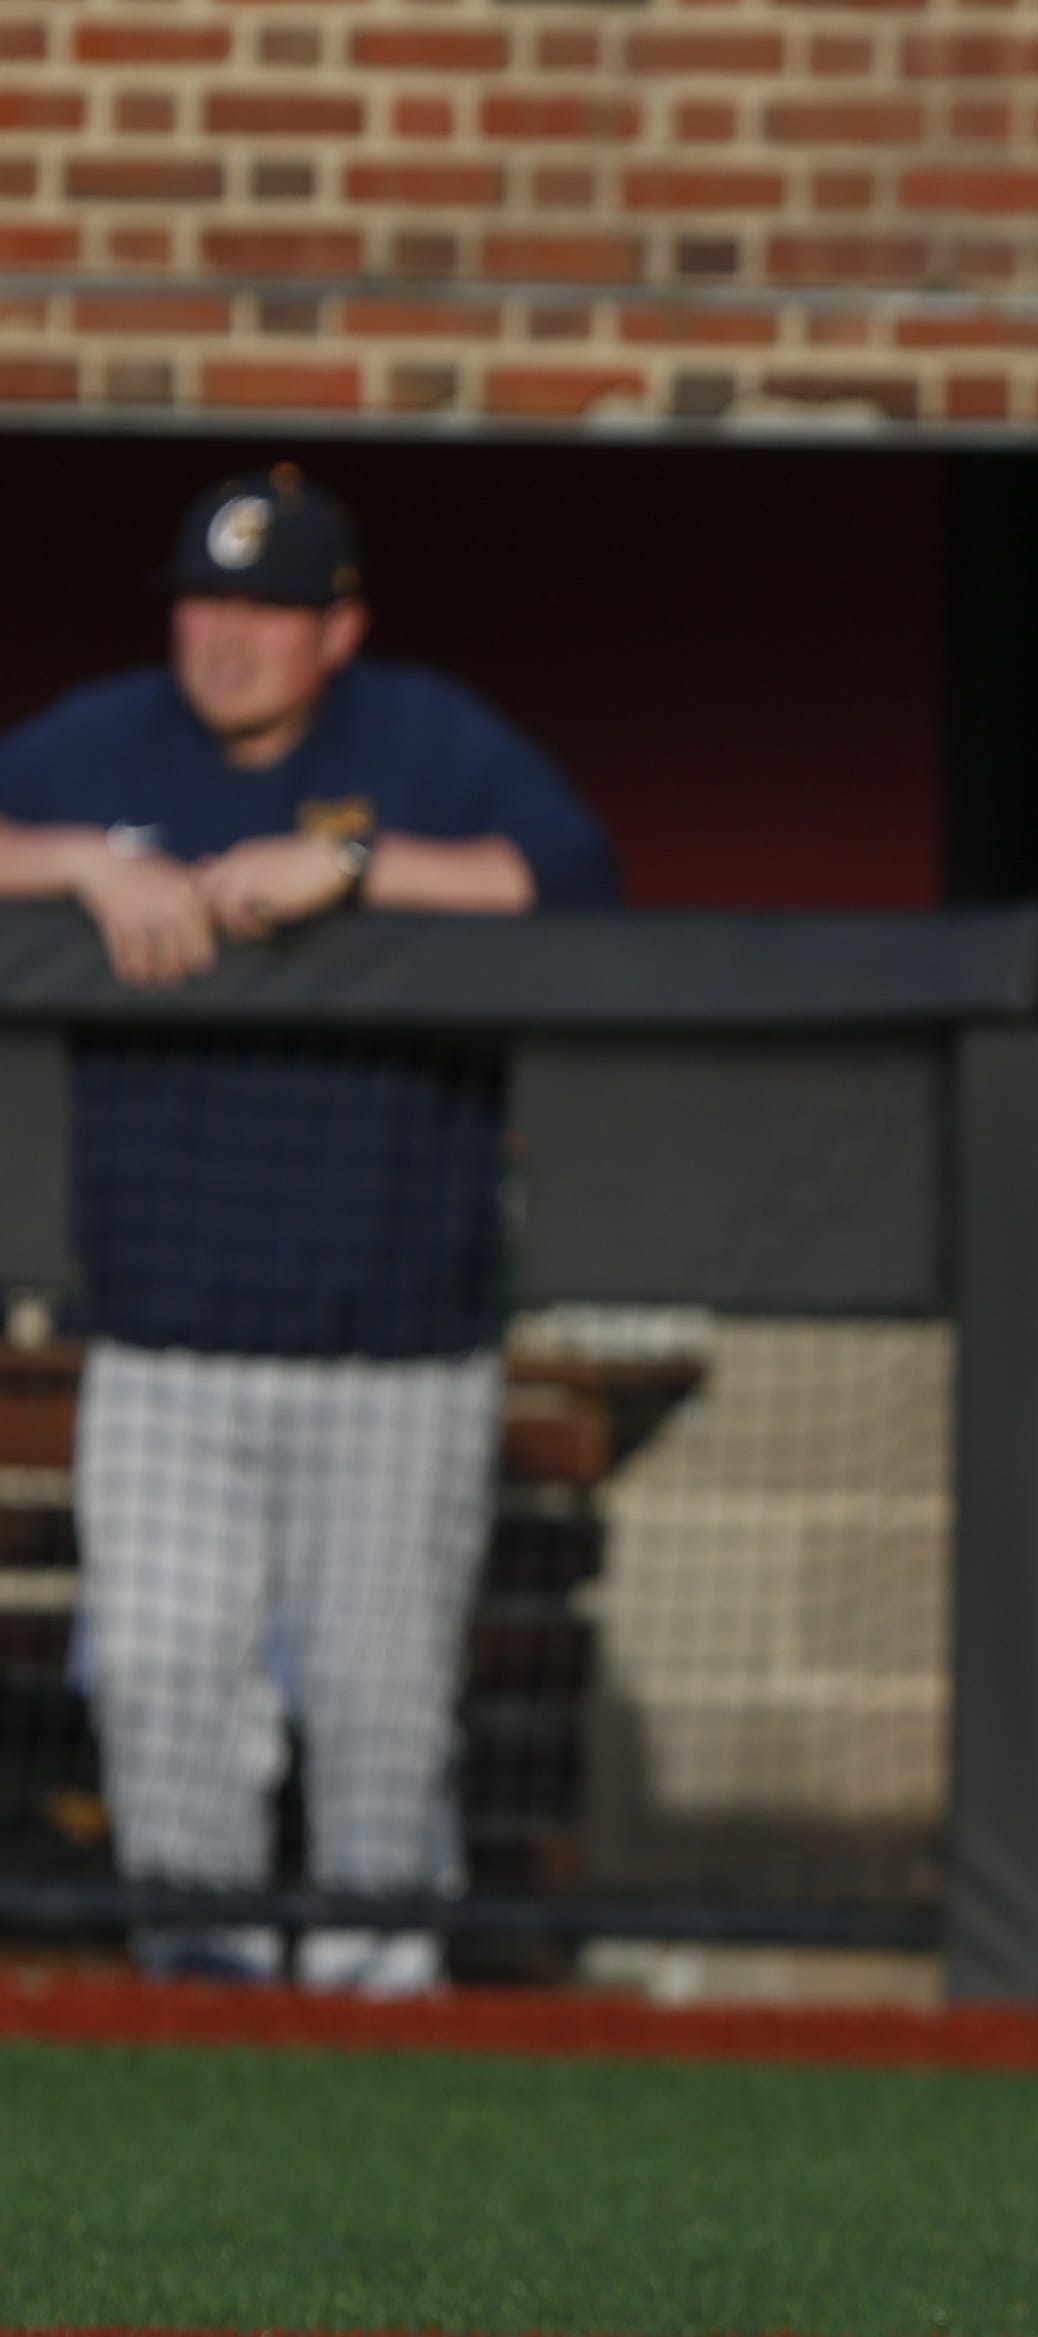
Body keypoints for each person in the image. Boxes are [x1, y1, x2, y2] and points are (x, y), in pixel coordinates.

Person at [0, 464, 619, 1990]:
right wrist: (87, 860)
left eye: (268, 610)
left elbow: (577, 880)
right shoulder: (103, 743)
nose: (227, 636)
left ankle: (379, 2030)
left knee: (379, 1713)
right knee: (155, 1685)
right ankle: (199, 1994)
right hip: (164, 1343)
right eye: (206, 601)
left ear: (337, 629)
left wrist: (351, 867)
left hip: (394, 1351)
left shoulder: (422, 738)